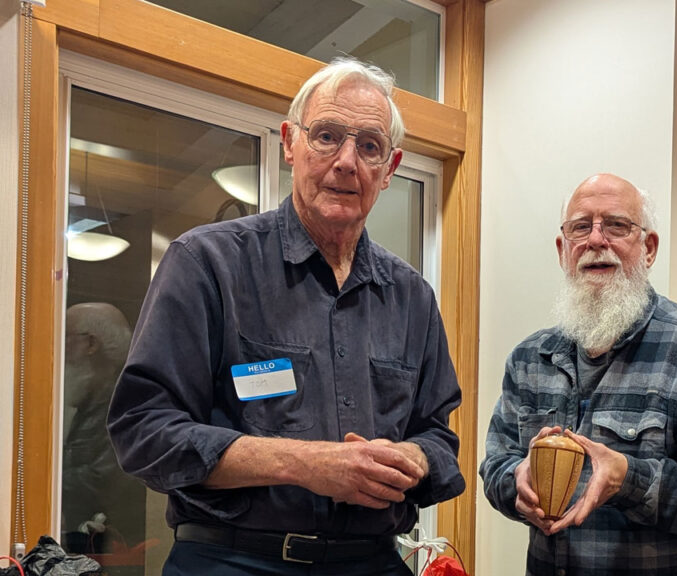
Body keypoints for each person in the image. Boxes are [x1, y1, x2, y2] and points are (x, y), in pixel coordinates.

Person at [107, 57, 464, 576]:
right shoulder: (207, 263)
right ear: (289, 143)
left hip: (373, 561)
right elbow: (143, 431)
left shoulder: (412, 297)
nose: (347, 161)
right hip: (231, 560)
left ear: (389, 169)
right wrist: (307, 464)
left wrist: (416, 459)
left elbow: (438, 437)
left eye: (369, 146)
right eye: (326, 136)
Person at [480, 173, 677, 575]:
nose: (596, 240)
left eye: (616, 225)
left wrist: (629, 480)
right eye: (581, 227)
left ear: (648, 248)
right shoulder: (530, 358)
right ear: (563, 250)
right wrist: (517, 481)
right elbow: (495, 463)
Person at [61, 302, 144, 554]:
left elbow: (104, 480)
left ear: (91, 345)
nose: (58, 351)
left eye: (65, 339)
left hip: (116, 551)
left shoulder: (126, 404)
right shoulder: (90, 404)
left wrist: (49, 480)